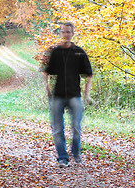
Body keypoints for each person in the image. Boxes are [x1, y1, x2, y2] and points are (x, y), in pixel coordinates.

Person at [43, 22, 92, 168]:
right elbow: (47, 71)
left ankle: (76, 154)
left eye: (69, 32)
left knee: (76, 127)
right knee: (58, 129)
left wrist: (86, 94)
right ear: (61, 33)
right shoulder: (56, 52)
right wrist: (47, 88)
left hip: (74, 95)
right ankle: (63, 158)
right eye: (64, 32)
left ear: (73, 33)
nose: (66, 34)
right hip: (58, 96)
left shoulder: (79, 52)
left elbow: (89, 74)